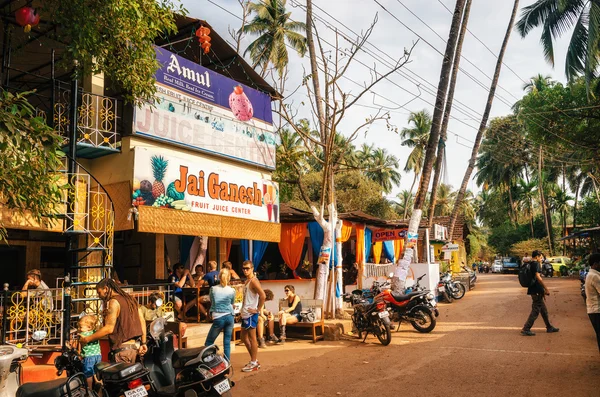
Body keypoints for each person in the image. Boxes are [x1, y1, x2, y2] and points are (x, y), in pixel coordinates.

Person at [79, 278, 147, 363]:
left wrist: (87, 339)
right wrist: (144, 343)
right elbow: (142, 321)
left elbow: (109, 328)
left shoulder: (114, 302)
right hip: (134, 350)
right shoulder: (131, 299)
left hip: (121, 352)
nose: (99, 296)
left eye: (99, 292)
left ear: (106, 289)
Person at [521, 250, 560, 336]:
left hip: (534, 289)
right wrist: (546, 289)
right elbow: (538, 277)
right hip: (536, 290)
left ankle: (549, 327)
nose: (542, 259)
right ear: (537, 257)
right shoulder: (536, 264)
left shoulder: (530, 263)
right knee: (536, 310)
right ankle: (526, 328)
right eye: (541, 257)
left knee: (543, 310)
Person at [204, 268, 236, 360]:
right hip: (230, 316)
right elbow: (232, 303)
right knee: (227, 343)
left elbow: (212, 303)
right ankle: (227, 363)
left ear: (219, 277)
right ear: (229, 278)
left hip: (218, 316)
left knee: (209, 342)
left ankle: (209, 361)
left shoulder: (213, 289)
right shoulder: (232, 290)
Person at [240, 260, 266, 372]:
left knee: (252, 338)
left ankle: (254, 361)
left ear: (252, 269)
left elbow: (263, 295)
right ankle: (253, 360)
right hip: (245, 313)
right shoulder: (247, 281)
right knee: (243, 338)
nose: (245, 270)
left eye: (247, 268)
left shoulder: (254, 281)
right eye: (244, 268)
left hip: (251, 314)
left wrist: (258, 310)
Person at [78, 315, 101, 387]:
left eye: (81, 327)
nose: (79, 329)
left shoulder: (83, 334)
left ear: (89, 327)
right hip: (98, 355)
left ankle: (89, 389)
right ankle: (99, 383)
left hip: (89, 357)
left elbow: (81, 342)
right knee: (97, 371)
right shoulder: (95, 333)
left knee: (88, 374)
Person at [584, 253, 600, 352]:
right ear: (596, 264)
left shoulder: (591, 275)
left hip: (593, 310)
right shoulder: (594, 276)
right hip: (597, 310)